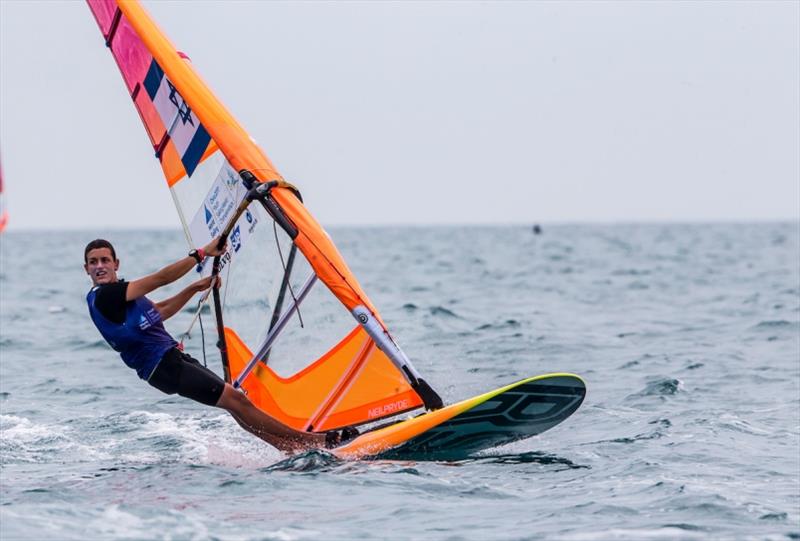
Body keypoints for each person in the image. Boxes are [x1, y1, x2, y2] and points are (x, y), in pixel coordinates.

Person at [84, 237, 355, 452]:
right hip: (164, 366)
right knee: (235, 399)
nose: (99, 266)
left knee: (232, 402)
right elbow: (161, 279)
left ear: (116, 263)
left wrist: (194, 289)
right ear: (86, 269)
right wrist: (202, 253)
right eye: (93, 262)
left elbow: (162, 310)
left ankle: (285, 447)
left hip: (169, 363)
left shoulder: (122, 297)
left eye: (104, 260)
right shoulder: (107, 296)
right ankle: (313, 441)